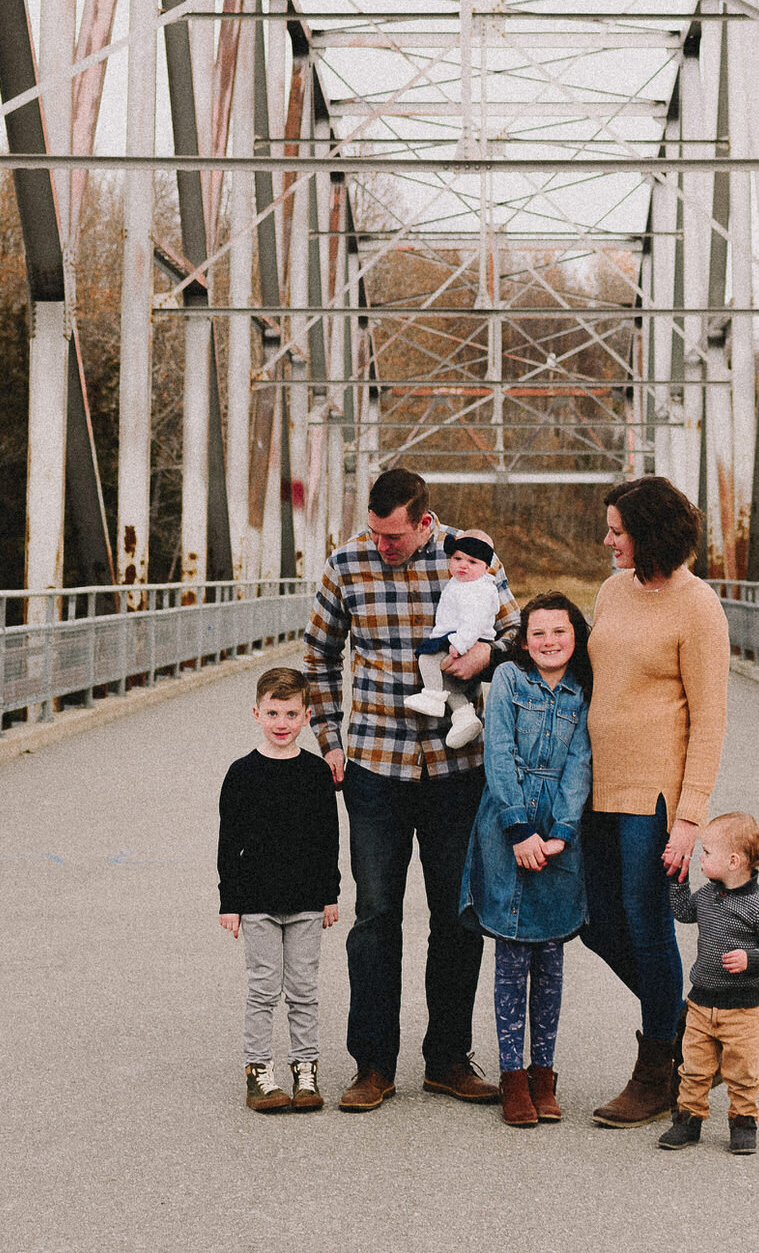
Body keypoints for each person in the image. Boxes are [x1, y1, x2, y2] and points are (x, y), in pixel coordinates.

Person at [304, 465, 517, 1112]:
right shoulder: (347, 565)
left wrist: (487, 655)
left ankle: (448, 1059)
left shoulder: (471, 558)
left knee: (459, 918)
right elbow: (318, 655)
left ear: (425, 523)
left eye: (393, 537)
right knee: (375, 918)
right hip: (377, 766)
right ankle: (373, 1065)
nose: (383, 547)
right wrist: (330, 740)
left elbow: (515, 633)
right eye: (375, 534)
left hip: (457, 769)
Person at [581, 474, 731, 1128]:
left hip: (653, 797)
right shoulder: (613, 590)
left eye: (617, 529)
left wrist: (690, 815)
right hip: (594, 788)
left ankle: (656, 1073)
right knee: (590, 919)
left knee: (647, 930)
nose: (607, 539)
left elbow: (711, 719)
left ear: (650, 533)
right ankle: (693, 1031)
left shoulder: (698, 607)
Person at [458, 592, 593, 1129]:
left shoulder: (582, 693)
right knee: (513, 956)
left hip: (559, 836)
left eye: (558, 632)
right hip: (507, 827)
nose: (548, 642)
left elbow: (580, 763)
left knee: (551, 960)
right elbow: (499, 752)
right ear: (523, 640)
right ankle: (513, 1076)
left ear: (574, 636)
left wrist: (560, 833)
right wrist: (519, 828)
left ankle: (545, 1074)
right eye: (537, 633)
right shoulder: (512, 682)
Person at [217, 664, 342, 1114]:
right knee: (264, 988)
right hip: (257, 902)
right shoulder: (241, 774)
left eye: (291, 714)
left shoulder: (315, 773)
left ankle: (305, 1068)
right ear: (256, 713)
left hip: (308, 901)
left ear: (307, 716)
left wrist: (330, 893)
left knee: (304, 988)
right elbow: (229, 842)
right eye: (273, 713)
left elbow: (329, 836)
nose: (282, 723)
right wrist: (230, 902)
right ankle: (258, 1070)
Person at [659, 810, 759, 1157]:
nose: (701, 858)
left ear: (733, 861)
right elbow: (684, 912)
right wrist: (678, 880)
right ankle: (688, 1119)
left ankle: (743, 1121)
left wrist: (752, 959)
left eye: (706, 853)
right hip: (702, 1002)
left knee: (742, 1070)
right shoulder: (706, 896)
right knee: (694, 1067)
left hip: (743, 1009)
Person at [403, 530, 503, 749]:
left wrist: (460, 644)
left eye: (472, 561)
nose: (463, 565)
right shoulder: (463, 583)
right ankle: (464, 716)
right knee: (451, 683)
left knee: (427, 659)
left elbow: (474, 622)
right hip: (455, 637)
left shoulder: (478, 590)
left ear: (486, 567)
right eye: (457, 559)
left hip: (463, 641)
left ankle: (433, 698)